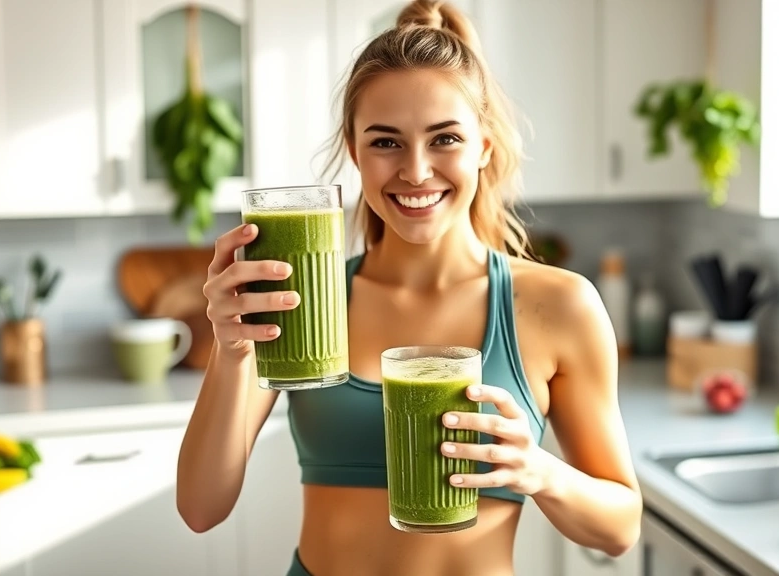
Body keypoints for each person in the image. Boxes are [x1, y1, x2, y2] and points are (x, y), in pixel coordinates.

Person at [176, 1, 642, 574]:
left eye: (444, 139)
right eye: (386, 142)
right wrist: (232, 352)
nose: (416, 171)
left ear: (484, 148)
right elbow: (200, 508)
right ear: (355, 151)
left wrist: (539, 472)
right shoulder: (297, 301)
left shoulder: (557, 306)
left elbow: (620, 528)